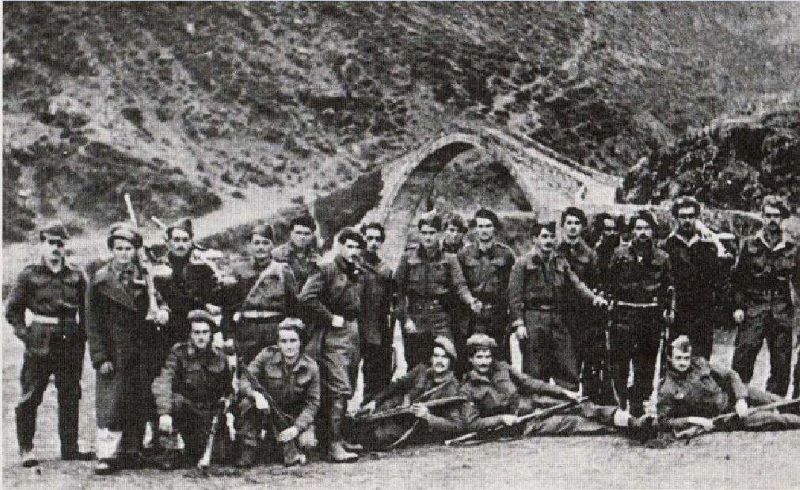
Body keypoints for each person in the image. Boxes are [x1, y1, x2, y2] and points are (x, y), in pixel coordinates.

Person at [6, 221, 93, 467]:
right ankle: (26, 448)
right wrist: (27, 335)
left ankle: (70, 448)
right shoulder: (29, 275)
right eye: (51, 243)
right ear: (43, 244)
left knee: (70, 394)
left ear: (66, 246)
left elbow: (87, 311)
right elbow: (13, 311)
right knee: (31, 395)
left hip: (70, 341)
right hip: (40, 342)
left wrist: (82, 336)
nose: (56, 248)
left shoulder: (76, 275)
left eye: (60, 244)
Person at [87, 223, 170, 474]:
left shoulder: (144, 276)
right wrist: (100, 357)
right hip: (114, 351)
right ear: (112, 250)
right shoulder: (100, 280)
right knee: (111, 404)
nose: (123, 253)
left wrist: (162, 312)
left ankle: (132, 450)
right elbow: (92, 323)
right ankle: (107, 454)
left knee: (137, 399)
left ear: (135, 251)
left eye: (128, 249)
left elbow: (159, 302)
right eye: (119, 248)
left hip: (141, 349)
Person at [459, 334, 643, 435]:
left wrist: (563, 392)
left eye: (488, 356)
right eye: (479, 357)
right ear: (470, 359)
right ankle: (621, 430)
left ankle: (633, 422)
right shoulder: (467, 389)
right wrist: (501, 419)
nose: (484, 361)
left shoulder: (503, 368)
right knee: (572, 423)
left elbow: (531, 383)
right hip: (523, 423)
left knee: (582, 406)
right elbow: (472, 424)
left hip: (534, 403)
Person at [508, 220, 607, 391]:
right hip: (533, 319)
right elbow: (514, 297)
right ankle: (537, 405)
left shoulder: (561, 262)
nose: (549, 241)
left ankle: (568, 402)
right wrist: (519, 324)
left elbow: (577, 284)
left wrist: (594, 298)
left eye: (552, 237)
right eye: (544, 236)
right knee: (534, 370)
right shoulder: (522, 264)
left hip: (557, 319)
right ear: (535, 239)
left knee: (567, 368)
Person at [298, 228, 365, 462]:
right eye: (349, 246)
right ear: (340, 246)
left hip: (351, 333)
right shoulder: (326, 269)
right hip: (333, 334)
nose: (353, 251)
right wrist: (329, 317)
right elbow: (306, 297)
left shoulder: (356, 271)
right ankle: (333, 445)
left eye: (357, 247)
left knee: (348, 385)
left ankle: (338, 437)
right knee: (338, 386)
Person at [605, 210, 673, 416]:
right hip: (624, 316)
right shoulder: (619, 255)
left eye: (647, 228)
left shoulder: (663, 258)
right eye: (639, 228)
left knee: (645, 365)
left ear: (653, 231)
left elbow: (669, 289)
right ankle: (620, 406)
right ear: (632, 231)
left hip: (649, 318)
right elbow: (609, 284)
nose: (643, 233)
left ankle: (638, 406)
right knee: (620, 365)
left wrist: (668, 311)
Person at [657, 335, 800, 433]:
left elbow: (731, 375)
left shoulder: (699, 364)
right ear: (670, 358)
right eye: (678, 358)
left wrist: (740, 399)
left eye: (686, 358)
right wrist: (693, 420)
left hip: (734, 397)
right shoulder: (667, 388)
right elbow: (663, 421)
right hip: (725, 416)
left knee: (782, 402)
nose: (683, 362)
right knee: (774, 419)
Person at [395, 213, 482, 370]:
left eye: (432, 233)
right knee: (416, 366)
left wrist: (471, 301)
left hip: (440, 318)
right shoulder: (407, 258)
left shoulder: (449, 259)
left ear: (440, 234)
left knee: (445, 360)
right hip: (415, 318)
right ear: (419, 233)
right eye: (424, 233)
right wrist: (406, 319)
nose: (428, 237)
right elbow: (398, 292)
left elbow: (460, 285)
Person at [731, 195, 799, 397]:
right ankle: (737, 401)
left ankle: (774, 404)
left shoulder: (793, 248)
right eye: (768, 215)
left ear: (782, 218)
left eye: (776, 216)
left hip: (781, 310)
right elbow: (738, 280)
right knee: (743, 358)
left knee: (781, 363)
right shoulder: (750, 245)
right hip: (754, 308)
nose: (772, 220)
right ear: (762, 216)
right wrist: (737, 307)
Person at [351, 336, 468, 449]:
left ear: (451, 361)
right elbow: (397, 385)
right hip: (393, 413)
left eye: (444, 357)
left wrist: (427, 416)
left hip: (412, 428)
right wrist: (375, 402)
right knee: (357, 423)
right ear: (431, 358)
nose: (439, 361)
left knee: (371, 437)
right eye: (436, 356)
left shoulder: (451, 388)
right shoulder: (421, 370)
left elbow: (457, 426)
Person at [151, 310, 233, 470]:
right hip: (187, 415)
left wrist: (228, 403)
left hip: (209, 416)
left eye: (205, 332)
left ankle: (195, 450)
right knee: (175, 401)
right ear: (190, 334)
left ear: (211, 334)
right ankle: (171, 450)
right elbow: (163, 381)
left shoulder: (220, 357)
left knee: (222, 456)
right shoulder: (178, 353)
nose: (201, 337)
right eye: (196, 332)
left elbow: (229, 389)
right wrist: (165, 413)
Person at [235, 319, 320, 468]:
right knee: (247, 403)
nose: (289, 346)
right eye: (284, 341)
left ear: (301, 342)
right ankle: (249, 448)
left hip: (294, 417)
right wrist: (256, 395)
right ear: (278, 343)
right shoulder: (266, 356)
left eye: (293, 340)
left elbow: (313, 404)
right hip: (267, 412)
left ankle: (281, 447)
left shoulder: (311, 367)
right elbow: (245, 379)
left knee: (307, 443)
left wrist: (296, 428)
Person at [660, 197, 726, 359]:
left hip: (702, 310)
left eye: (691, 216)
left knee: (701, 358)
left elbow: (719, 276)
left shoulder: (707, 245)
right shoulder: (669, 245)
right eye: (683, 216)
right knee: (675, 356)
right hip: (678, 309)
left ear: (697, 218)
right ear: (676, 218)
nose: (687, 221)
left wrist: (714, 241)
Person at [222, 224, 298, 364]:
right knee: (248, 372)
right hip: (247, 330)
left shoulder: (283, 270)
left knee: (275, 371)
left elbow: (294, 306)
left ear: (272, 245)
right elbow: (228, 307)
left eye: (265, 243)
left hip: (274, 329)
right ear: (250, 245)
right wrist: (228, 336)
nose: (260, 247)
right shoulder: (239, 271)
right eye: (256, 243)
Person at [556, 206, 605, 401]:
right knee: (563, 362)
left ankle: (588, 402)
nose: (572, 227)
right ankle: (566, 401)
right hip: (560, 313)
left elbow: (596, 284)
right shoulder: (555, 251)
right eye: (569, 223)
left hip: (583, 315)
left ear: (582, 227)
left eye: (577, 223)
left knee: (586, 360)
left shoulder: (590, 254)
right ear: (562, 226)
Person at [456, 208, 515, 365]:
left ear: (494, 228)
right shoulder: (464, 254)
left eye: (488, 226)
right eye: (480, 226)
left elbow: (512, 287)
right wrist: (470, 301)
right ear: (475, 229)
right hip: (472, 317)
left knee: (499, 361)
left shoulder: (506, 254)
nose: (484, 230)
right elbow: (459, 284)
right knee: (470, 360)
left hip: (497, 316)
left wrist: (510, 317)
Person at [358, 222, 399, 400]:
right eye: (369, 238)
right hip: (353, 326)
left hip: (375, 328)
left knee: (374, 376)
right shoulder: (353, 264)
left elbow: (392, 301)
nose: (373, 243)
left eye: (377, 239)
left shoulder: (385, 271)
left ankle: (368, 408)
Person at [272, 215, 321, 289]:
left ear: (312, 235)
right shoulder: (277, 254)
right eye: (298, 233)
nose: (302, 237)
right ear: (291, 233)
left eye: (307, 234)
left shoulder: (316, 257)